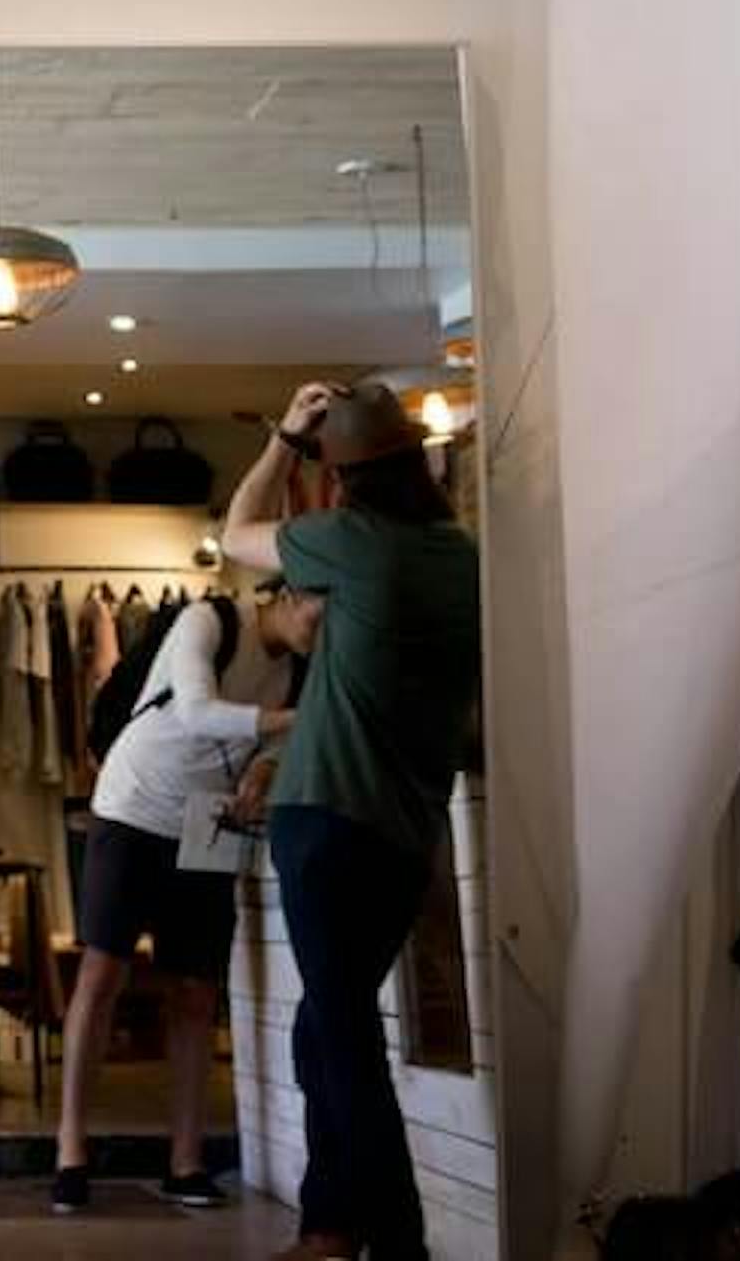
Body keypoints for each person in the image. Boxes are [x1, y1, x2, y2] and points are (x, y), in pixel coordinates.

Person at [221, 382, 481, 1261]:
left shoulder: (349, 542)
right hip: (405, 832)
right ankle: (329, 1224)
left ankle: (397, 1242)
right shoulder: (463, 554)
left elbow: (235, 532)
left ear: (344, 482)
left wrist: (283, 437)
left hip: (326, 818)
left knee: (344, 1037)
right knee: (327, 1023)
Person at [52, 583, 320, 1216]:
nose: (323, 622)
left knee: (197, 992)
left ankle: (186, 1160)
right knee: (102, 970)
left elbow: (273, 749)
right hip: (134, 804)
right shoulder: (211, 620)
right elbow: (197, 709)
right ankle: (69, 1149)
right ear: (286, 593)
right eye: (319, 606)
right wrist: (294, 722)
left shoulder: (301, 671)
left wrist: (266, 766)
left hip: (210, 817)